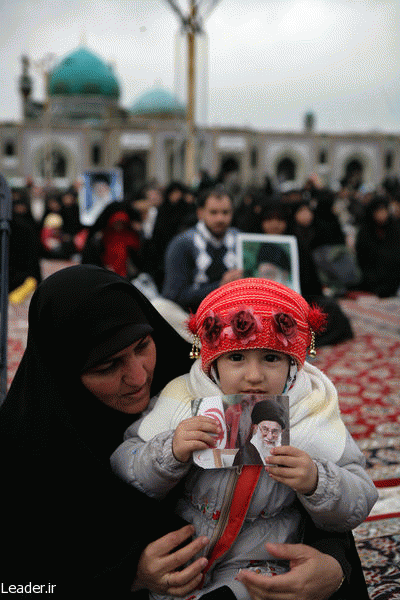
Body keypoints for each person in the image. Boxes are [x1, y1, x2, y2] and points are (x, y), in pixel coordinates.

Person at [111, 278, 377, 600]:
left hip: (263, 566)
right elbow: (126, 468)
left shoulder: (313, 413)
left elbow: (360, 498)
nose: (254, 376)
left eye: (271, 358)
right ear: (213, 365)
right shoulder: (181, 399)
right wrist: (170, 450)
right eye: (236, 358)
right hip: (187, 558)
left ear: (293, 364)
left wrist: (316, 480)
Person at [0, 264, 211, 596]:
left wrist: (325, 566)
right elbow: (17, 586)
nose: (139, 377)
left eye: (142, 346)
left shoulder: (194, 392)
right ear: (65, 373)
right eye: (108, 366)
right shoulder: (26, 453)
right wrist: (128, 575)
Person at [162, 186, 243, 312]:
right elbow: (174, 296)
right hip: (191, 317)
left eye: (225, 212)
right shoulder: (182, 244)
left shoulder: (240, 240)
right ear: (200, 213)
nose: (220, 219)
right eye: (213, 212)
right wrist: (221, 287)